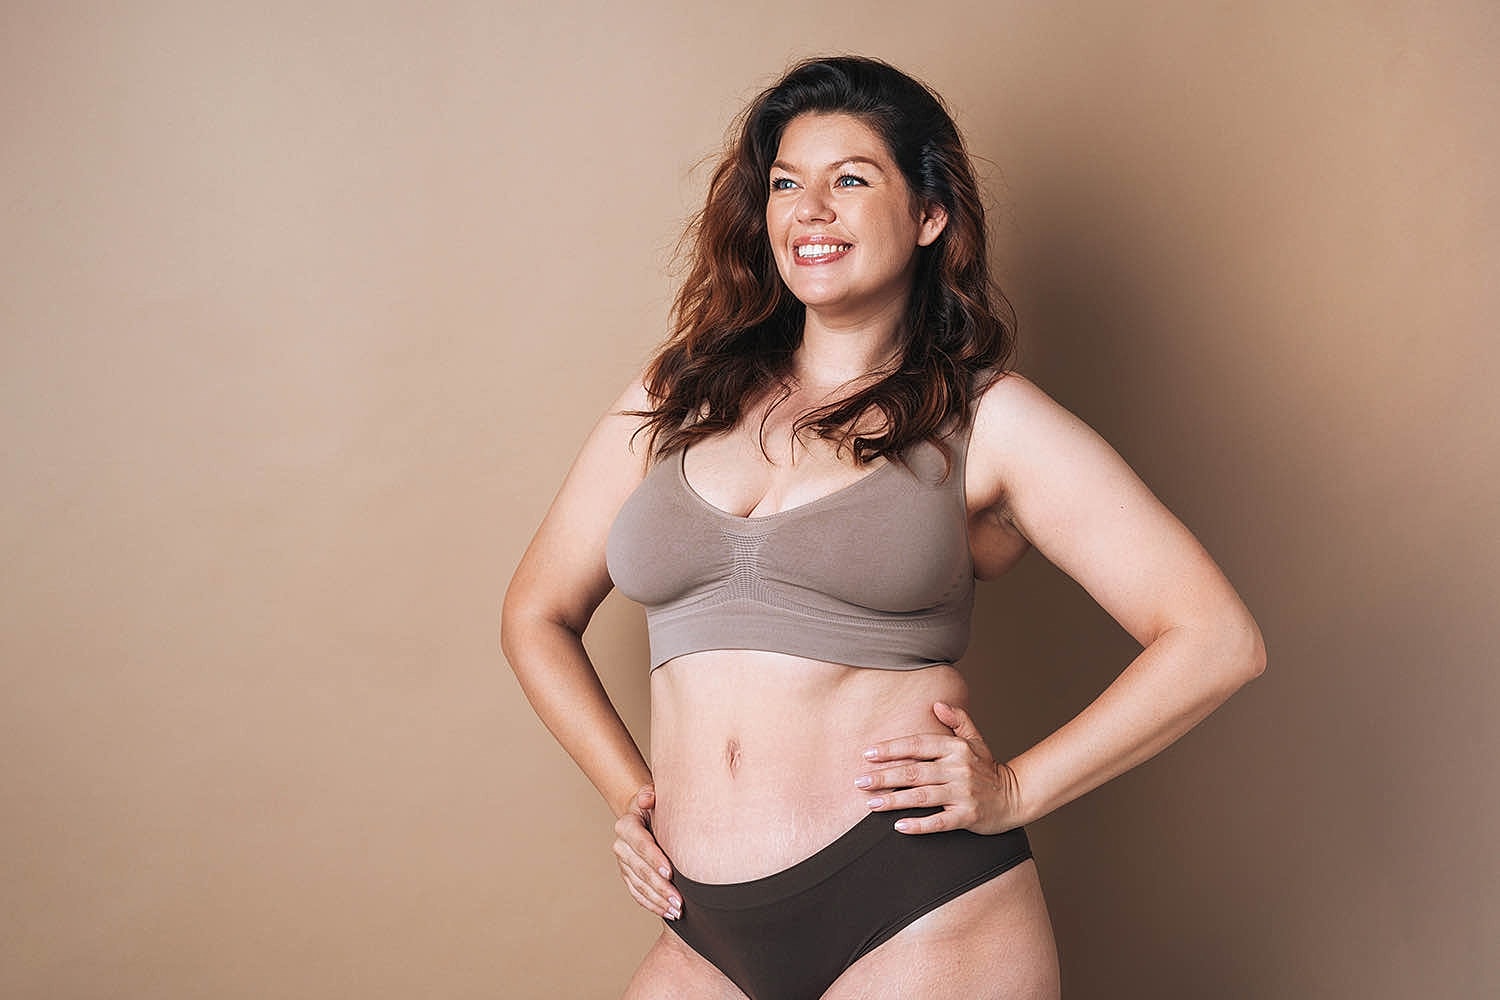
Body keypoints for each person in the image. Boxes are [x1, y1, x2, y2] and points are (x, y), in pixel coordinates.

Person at [501, 55, 1265, 1000]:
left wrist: (1017, 788)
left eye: (850, 179)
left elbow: (1214, 638)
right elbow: (535, 613)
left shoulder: (990, 421)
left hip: (914, 909)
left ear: (929, 214)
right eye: (786, 183)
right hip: (704, 928)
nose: (809, 210)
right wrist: (631, 796)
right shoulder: (675, 398)